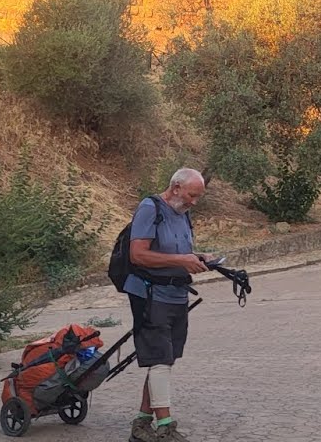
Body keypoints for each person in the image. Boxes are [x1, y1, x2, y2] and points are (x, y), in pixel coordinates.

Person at [124, 168, 217, 442]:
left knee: (163, 360)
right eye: (191, 195)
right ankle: (165, 427)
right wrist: (182, 261)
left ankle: (142, 423)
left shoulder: (182, 213)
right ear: (175, 187)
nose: (194, 202)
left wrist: (198, 258)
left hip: (176, 294)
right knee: (160, 359)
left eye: (198, 197)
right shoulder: (149, 208)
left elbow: (176, 253)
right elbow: (138, 255)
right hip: (150, 295)